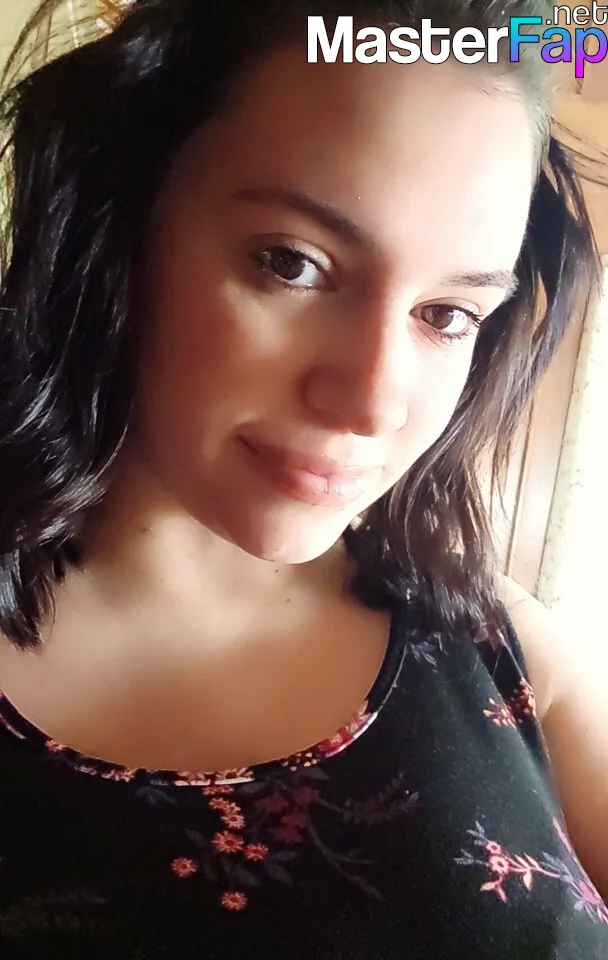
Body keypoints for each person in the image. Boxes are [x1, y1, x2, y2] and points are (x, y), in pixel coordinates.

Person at [0, 0, 606, 956]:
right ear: (122, 220)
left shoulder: (502, 645)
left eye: (447, 315)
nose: (372, 403)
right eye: (291, 263)